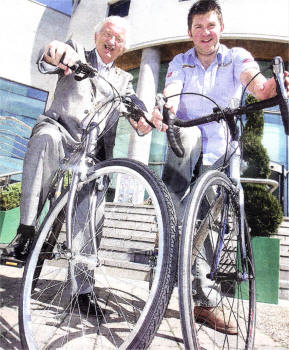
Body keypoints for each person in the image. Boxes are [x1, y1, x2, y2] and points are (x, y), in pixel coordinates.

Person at [3, 16, 164, 317]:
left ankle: (82, 292)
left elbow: (136, 114)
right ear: (97, 35)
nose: (111, 41)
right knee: (45, 139)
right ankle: (25, 231)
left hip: (90, 154)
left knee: (91, 211)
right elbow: (49, 55)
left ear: (123, 48)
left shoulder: (123, 80)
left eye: (118, 39)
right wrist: (57, 52)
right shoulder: (76, 49)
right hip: (60, 131)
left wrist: (146, 120)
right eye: (107, 34)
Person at [153, 0, 289, 334]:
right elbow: (171, 92)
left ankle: (204, 303)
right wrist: (165, 109)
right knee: (174, 208)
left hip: (220, 151)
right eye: (197, 27)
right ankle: (164, 277)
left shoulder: (236, 57)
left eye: (210, 25)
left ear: (221, 28)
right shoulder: (180, 62)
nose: (204, 33)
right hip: (184, 143)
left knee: (209, 225)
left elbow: (256, 83)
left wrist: (274, 87)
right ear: (190, 32)